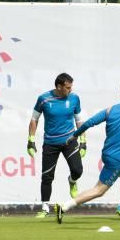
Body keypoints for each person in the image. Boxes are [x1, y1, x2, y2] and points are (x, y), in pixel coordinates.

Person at [55, 81, 120, 223]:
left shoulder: (110, 109)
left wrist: (74, 135)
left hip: (108, 153)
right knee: (99, 190)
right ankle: (64, 206)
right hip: (117, 157)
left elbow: (89, 122)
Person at [28, 73, 84, 218]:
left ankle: (72, 181)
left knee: (77, 170)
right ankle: (45, 207)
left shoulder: (74, 98)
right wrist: (30, 140)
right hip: (50, 143)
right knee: (47, 177)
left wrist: (83, 141)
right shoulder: (44, 99)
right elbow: (34, 119)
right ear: (59, 87)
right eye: (67, 87)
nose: (70, 90)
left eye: (71, 87)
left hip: (69, 141)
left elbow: (79, 121)